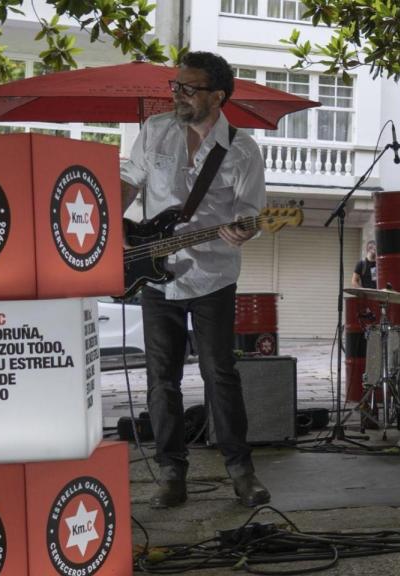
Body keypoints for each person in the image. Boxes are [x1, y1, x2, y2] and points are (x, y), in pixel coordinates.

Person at [120, 51, 270, 508]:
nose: (178, 94)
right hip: (155, 276)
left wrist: (243, 231)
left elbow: (251, 213)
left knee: (219, 374)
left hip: (212, 275)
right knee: (161, 380)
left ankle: (241, 472)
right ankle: (171, 473)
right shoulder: (155, 131)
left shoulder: (242, 149)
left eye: (189, 88)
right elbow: (129, 181)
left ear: (217, 96)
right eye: (176, 86)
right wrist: (113, 226)